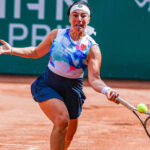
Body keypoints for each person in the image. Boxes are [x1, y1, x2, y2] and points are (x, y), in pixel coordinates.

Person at [0, 1, 119, 150]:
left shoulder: (92, 48)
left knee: (68, 137)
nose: (79, 19)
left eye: (83, 16)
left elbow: (95, 79)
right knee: (62, 120)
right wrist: (11, 50)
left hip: (72, 91)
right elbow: (36, 52)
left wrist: (106, 90)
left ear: (88, 20)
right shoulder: (57, 35)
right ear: (69, 18)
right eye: (75, 15)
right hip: (49, 84)